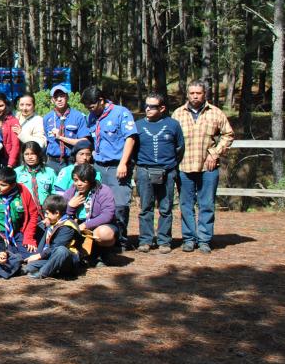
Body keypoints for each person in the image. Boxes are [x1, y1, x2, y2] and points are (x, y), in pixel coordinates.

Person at [171, 80, 235, 254]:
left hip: (208, 167)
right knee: (186, 204)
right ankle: (189, 239)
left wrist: (215, 153)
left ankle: (204, 239)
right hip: (184, 166)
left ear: (204, 94)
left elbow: (228, 134)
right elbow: (170, 138)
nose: (195, 96)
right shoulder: (178, 114)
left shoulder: (215, 113)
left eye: (198, 93)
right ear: (187, 94)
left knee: (206, 204)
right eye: (192, 93)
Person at [81, 85, 138, 249]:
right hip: (99, 165)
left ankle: (121, 239)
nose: (90, 110)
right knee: (99, 204)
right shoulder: (91, 117)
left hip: (117, 165)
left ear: (101, 100)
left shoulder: (121, 113)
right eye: (87, 107)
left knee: (120, 204)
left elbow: (130, 138)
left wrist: (123, 163)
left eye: (92, 106)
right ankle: (102, 239)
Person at [134, 93, 185, 254]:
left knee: (165, 207)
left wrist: (170, 166)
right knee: (145, 207)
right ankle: (146, 240)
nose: (147, 109)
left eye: (152, 106)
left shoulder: (173, 125)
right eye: (146, 105)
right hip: (144, 170)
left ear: (162, 108)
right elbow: (132, 149)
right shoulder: (138, 125)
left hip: (167, 171)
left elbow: (179, 148)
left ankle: (164, 241)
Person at [0, 165, 40, 252]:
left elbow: (33, 215)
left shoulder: (23, 191)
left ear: (13, 185)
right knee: (10, 258)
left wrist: (29, 237)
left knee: (31, 255)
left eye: (3, 185)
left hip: (18, 233)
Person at [62, 163, 119, 256]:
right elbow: (61, 214)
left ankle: (102, 255)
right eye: (76, 180)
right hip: (77, 224)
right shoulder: (71, 192)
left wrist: (86, 225)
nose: (79, 184)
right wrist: (70, 207)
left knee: (103, 233)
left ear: (91, 180)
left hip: (99, 225)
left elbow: (107, 215)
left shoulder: (103, 191)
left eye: (83, 180)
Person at [21, 194, 83, 279]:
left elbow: (55, 247)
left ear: (57, 213)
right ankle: (53, 270)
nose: (45, 216)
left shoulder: (67, 227)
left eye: (47, 213)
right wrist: (37, 256)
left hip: (67, 261)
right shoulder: (53, 223)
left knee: (61, 250)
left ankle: (43, 273)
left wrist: (39, 256)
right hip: (51, 258)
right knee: (29, 266)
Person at [43, 84, 88, 168]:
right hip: (52, 162)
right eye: (56, 97)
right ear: (52, 100)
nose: (59, 99)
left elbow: (84, 142)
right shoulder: (47, 118)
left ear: (67, 97)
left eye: (62, 96)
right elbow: (47, 141)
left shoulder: (78, 116)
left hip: (71, 161)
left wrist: (61, 138)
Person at [18, 141, 58, 207]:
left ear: (39, 155)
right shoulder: (17, 172)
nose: (30, 157)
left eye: (33, 154)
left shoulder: (50, 172)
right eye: (26, 154)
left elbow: (55, 193)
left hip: (45, 209)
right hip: (24, 209)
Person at [0, 93, 22, 167]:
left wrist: (10, 164)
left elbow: (15, 145)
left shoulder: (13, 121)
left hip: (7, 160)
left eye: (1, 106)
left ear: (6, 105)